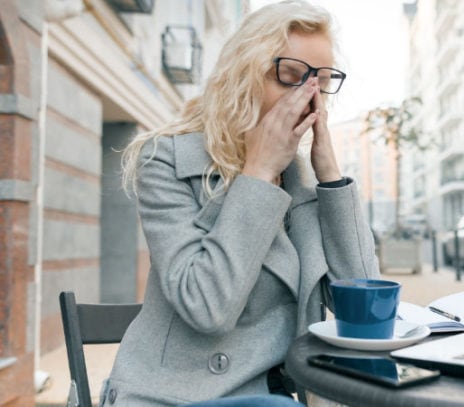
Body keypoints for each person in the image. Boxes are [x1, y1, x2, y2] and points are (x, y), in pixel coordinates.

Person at [104, 1, 379, 405]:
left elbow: (367, 309)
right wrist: (258, 174)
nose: (309, 96)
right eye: (291, 76)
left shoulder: (302, 181)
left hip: (287, 391)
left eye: (320, 81)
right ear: (241, 74)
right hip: (178, 395)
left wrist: (331, 177)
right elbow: (207, 307)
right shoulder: (167, 160)